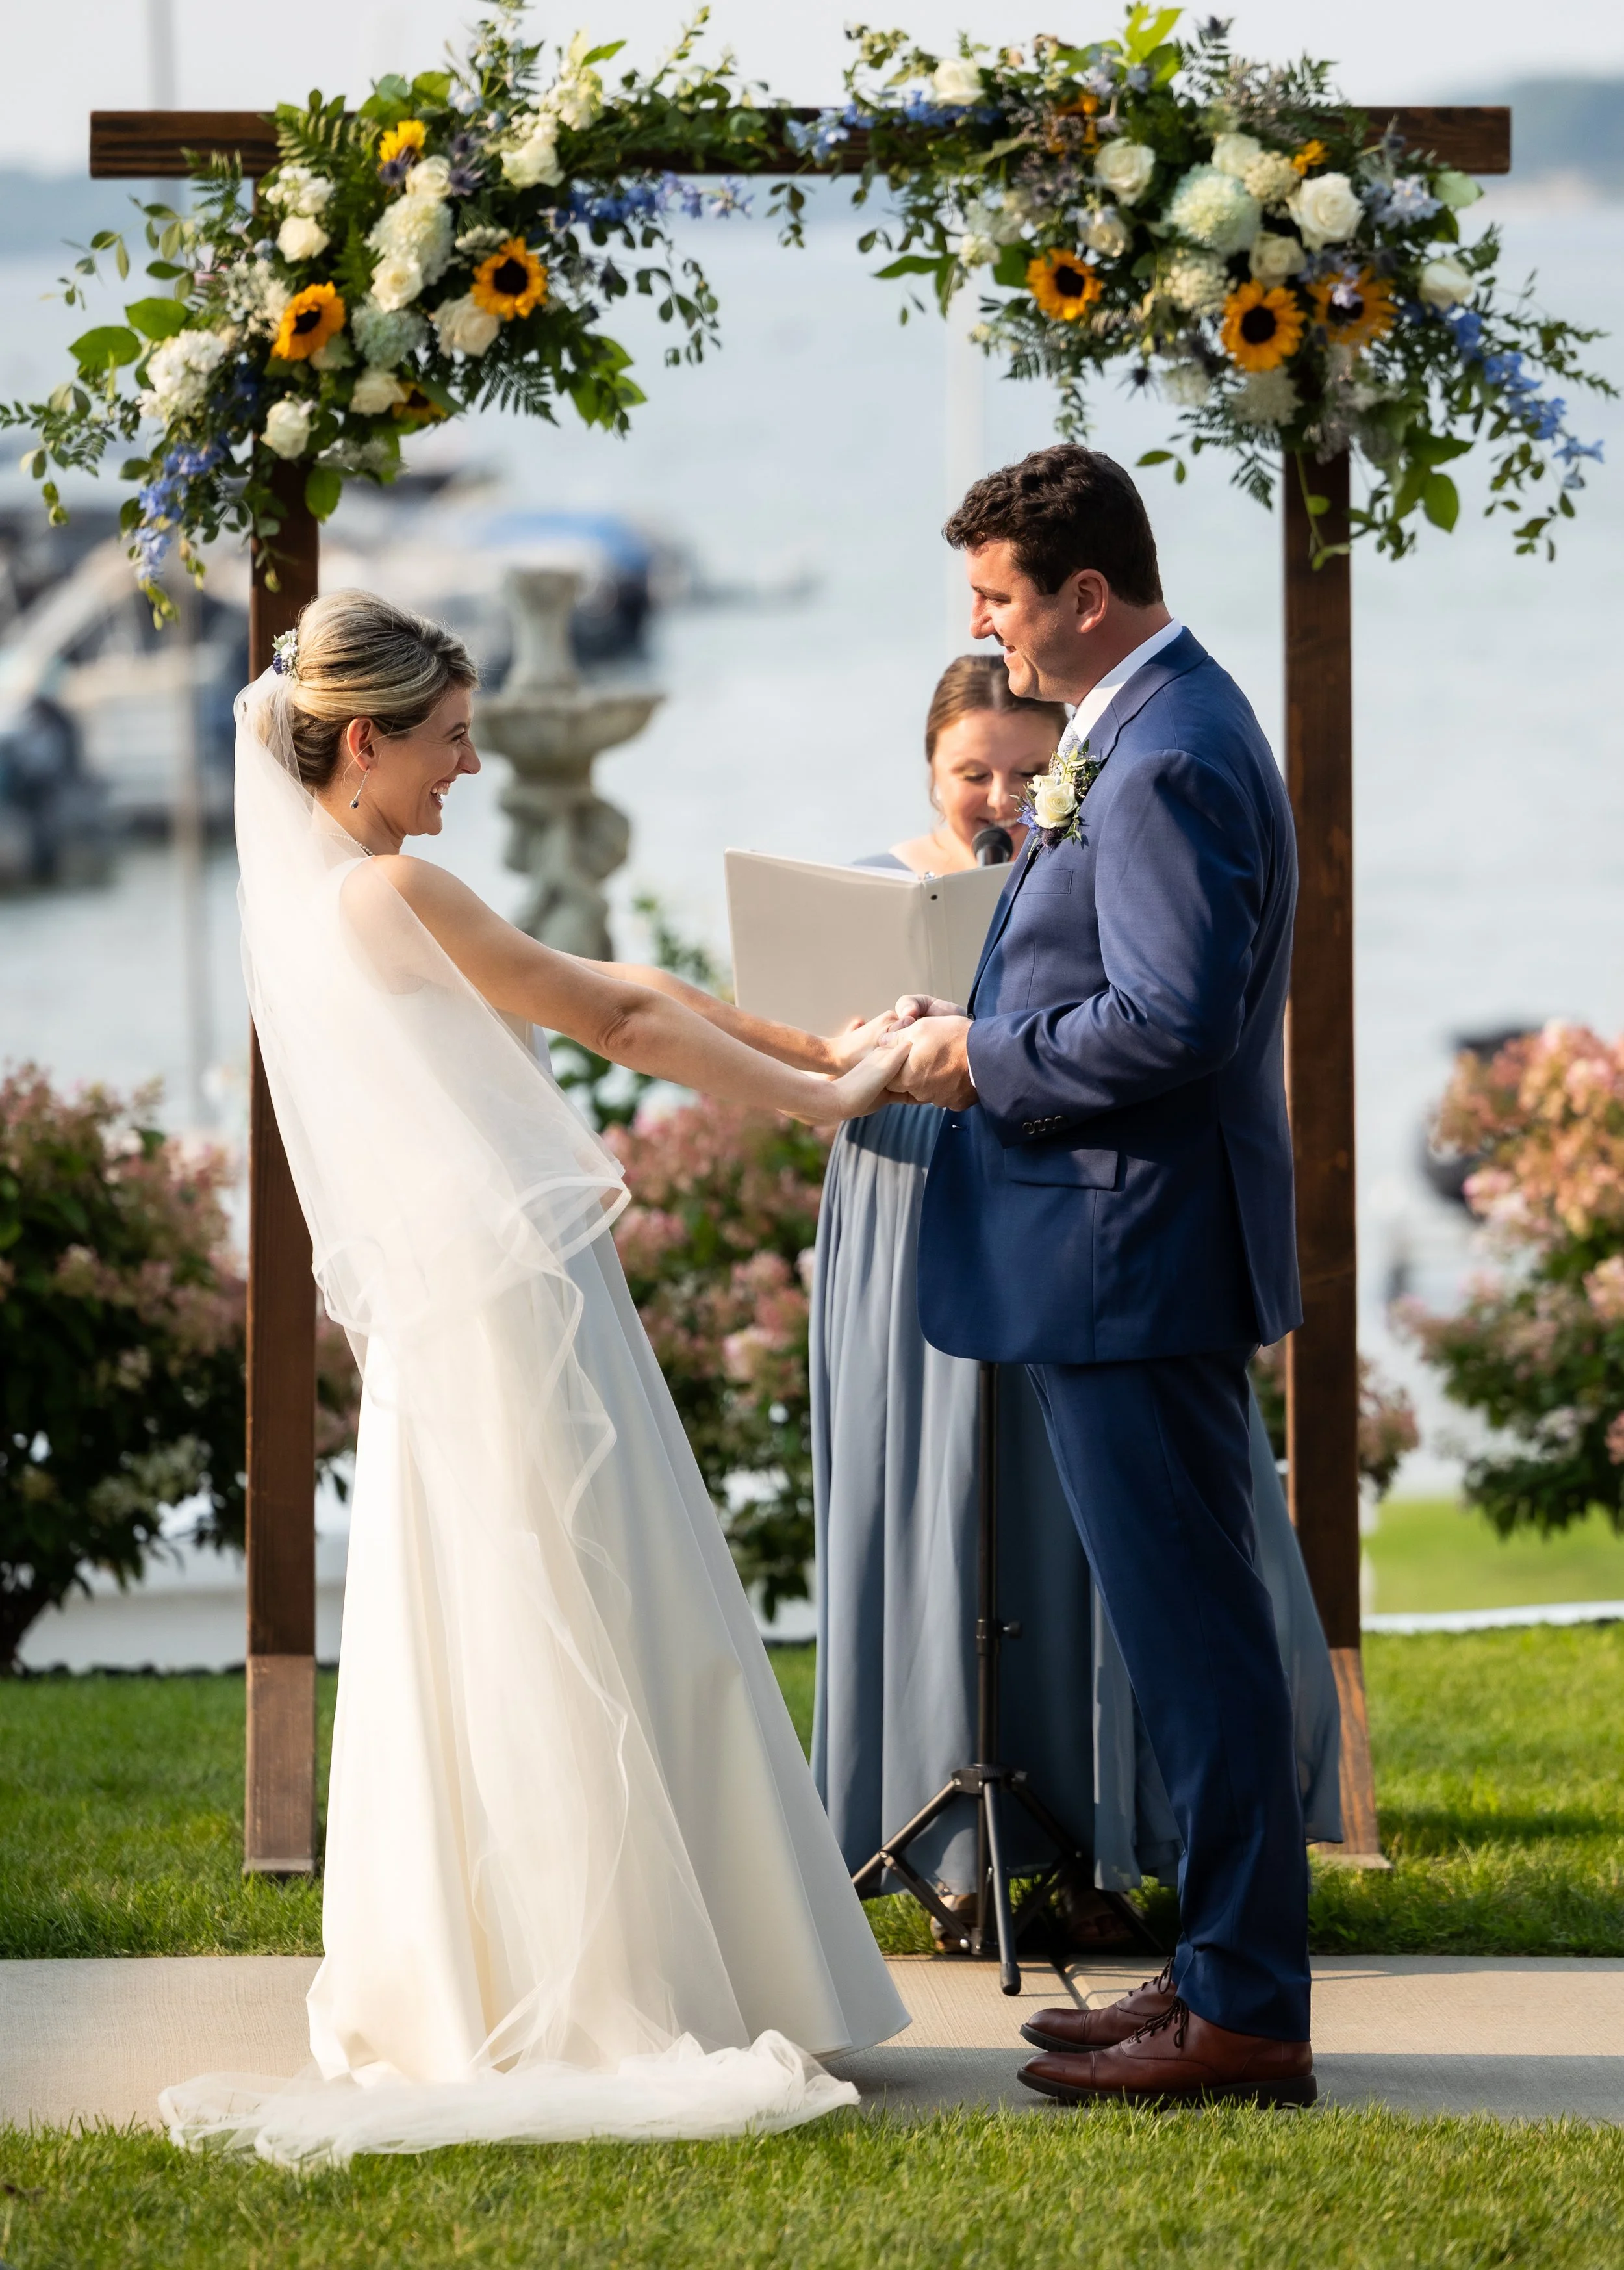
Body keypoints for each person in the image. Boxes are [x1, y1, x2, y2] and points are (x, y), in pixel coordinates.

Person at [161, 591, 908, 2167]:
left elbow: (626, 983)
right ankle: (623, 1987)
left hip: (472, 1312)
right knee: (586, 1613)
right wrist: (830, 1097)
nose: (473, 766)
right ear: (362, 746)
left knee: (526, 1623)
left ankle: (523, 1968)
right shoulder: (387, 896)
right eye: (446, 741)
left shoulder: (348, 900)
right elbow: (618, 1017)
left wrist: (807, 1036)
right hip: (510, 1312)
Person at [890, 446, 1319, 2109]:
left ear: (1082, 597)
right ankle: (1215, 1976)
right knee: (1182, 1630)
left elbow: (1169, 1019)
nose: (985, 633)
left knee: (1196, 1639)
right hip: (1118, 1247)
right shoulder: (1142, 724)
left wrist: (974, 1056)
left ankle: (1243, 2021)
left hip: (1125, 1250)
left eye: (997, 599)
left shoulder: (1160, 756)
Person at [812, 656, 1341, 1946]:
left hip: (1074, 1215)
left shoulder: (1120, 809)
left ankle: (1106, 1838)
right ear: (926, 770)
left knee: (1100, 1552)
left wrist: (978, 1044)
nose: (995, 795)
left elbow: (1169, 1015)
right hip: (911, 1202)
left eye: (1018, 770)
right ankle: (946, 1843)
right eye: (966, 773)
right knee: (932, 1510)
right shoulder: (879, 886)